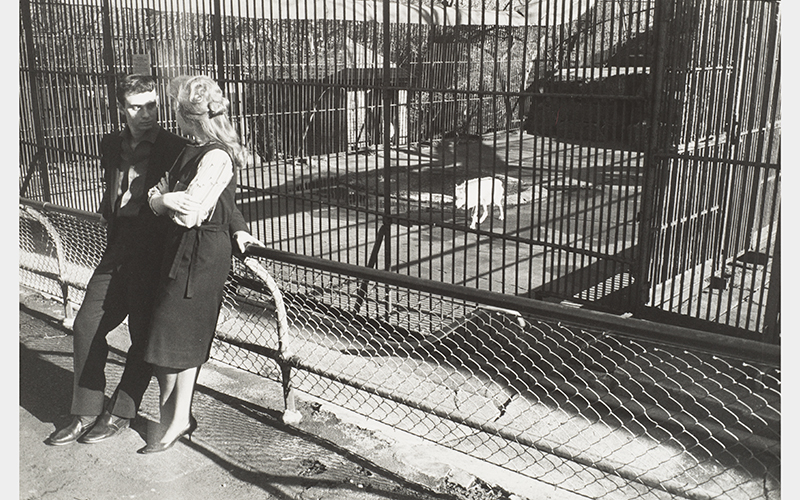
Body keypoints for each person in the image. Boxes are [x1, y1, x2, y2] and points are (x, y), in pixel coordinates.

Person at [45, 74, 262, 446]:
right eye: (135, 106)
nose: (145, 114)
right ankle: (84, 411)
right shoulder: (110, 143)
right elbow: (115, 187)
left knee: (143, 337)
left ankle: (121, 412)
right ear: (120, 108)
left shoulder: (179, 144)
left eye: (152, 105)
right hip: (118, 248)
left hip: (159, 251)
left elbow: (221, 192)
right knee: (86, 324)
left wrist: (238, 228)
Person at [137, 75, 246, 454]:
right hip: (183, 250)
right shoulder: (190, 150)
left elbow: (190, 214)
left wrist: (165, 201)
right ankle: (178, 418)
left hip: (200, 257)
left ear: (187, 116)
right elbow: (159, 195)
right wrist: (164, 201)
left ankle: (176, 418)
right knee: (172, 343)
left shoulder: (215, 156)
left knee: (170, 341)